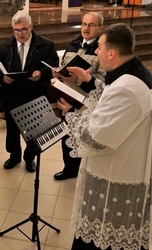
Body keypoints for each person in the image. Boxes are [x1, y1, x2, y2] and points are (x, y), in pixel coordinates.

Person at [57, 23, 152, 250]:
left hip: (115, 175)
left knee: (104, 237)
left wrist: (71, 115)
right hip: (131, 167)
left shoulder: (127, 87)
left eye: (100, 47)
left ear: (112, 53)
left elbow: (95, 138)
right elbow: (111, 99)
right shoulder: (139, 74)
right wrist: (88, 78)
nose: (96, 51)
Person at [0, 11, 59, 172]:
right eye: (16, 30)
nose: (20, 33)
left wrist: (41, 74)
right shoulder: (5, 46)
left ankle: (30, 157)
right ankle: (14, 156)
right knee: (12, 129)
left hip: (34, 94)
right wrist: (2, 78)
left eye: (24, 29)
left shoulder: (46, 45)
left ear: (31, 27)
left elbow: (53, 66)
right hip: (11, 94)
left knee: (34, 129)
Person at [52, 12, 106, 181]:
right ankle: (69, 169)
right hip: (68, 98)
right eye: (84, 24)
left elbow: (104, 80)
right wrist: (59, 74)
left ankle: (86, 172)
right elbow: (64, 67)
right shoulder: (74, 44)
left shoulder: (101, 50)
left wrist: (80, 80)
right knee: (68, 135)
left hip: (87, 103)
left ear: (100, 28)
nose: (86, 28)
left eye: (91, 25)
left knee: (85, 138)